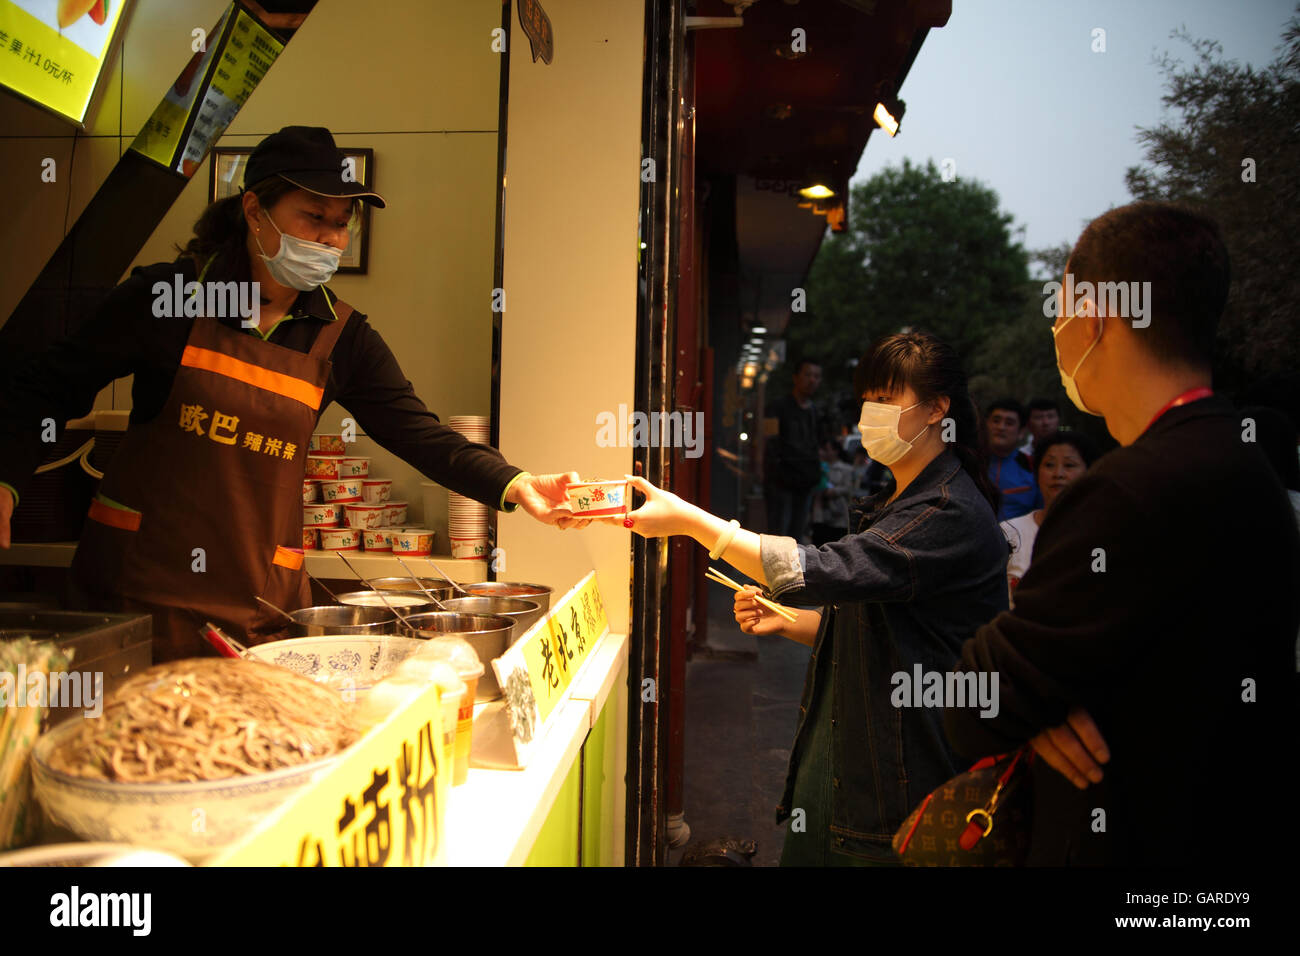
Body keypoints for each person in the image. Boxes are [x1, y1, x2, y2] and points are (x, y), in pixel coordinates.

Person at [0, 126, 586, 661]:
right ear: (254, 210)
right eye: (314, 218)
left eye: (341, 222)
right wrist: (4, 481)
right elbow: (47, 386)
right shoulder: (168, 298)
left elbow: (421, 434)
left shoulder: (344, 336)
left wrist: (517, 484)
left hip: (256, 612)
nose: (331, 238)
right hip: (134, 598)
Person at [944, 201, 1300, 867]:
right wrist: (1046, 699)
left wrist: (1033, 698)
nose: (1056, 328)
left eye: (1061, 307)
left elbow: (977, 696)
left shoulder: (1121, 493)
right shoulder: (1252, 470)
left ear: (1096, 317)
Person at [615, 331, 1008, 865]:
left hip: (901, 771)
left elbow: (829, 569)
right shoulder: (899, 496)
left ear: (938, 408)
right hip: (849, 745)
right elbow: (882, 629)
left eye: (888, 400)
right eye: (867, 399)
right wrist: (791, 622)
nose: (871, 414)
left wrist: (692, 522)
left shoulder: (947, 509)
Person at [1000, 431, 1097, 603]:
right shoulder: (1010, 531)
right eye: (1049, 465)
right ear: (1037, 473)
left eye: (1069, 465)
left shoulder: (1101, 536)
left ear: (1088, 473)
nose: (1058, 474)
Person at [762, 358, 823, 541]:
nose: (812, 380)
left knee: (798, 533)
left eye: (817, 376)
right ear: (796, 378)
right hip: (781, 480)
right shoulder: (777, 406)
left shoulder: (815, 411)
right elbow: (768, 439)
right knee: (778, 532)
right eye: (807, 374)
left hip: (805, 480)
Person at [985, 398, 1042, 520]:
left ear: (1021, 432)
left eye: (1009, 423)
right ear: (985, 425)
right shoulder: (967, 463)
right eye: (996, 421)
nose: (1001, 427)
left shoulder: (1033, 466)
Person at [809, 438, 854, 546]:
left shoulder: (846, 469)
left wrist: (833, 491)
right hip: (820, 514)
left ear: (835, 451)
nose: (823, 452)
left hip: (838, 515)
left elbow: (848, 488)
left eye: (827, 449)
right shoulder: (818, 467)